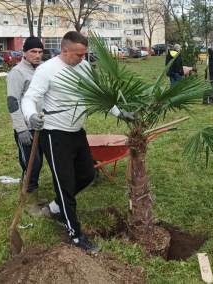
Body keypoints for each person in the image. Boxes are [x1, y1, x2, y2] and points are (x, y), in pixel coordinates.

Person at [21, 31, 132, 254]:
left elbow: (96, 92)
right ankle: (75, 235)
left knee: (87, 175)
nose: (82, 58)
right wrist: (31, 115)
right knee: (65, 186)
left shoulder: (82, 67)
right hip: (54, 134)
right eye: (78, 54)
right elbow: (29, 98)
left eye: (85, 54)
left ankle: (55, 207)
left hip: (77, 131)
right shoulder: (47, 70)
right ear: (65, 50)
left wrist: (119, 113)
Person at [6, 36, 45, 216]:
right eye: (33, 52)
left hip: (41, 126)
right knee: (31, 164)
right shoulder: (18, 73)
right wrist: (21, 128)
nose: (37, 55)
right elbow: (13, 102)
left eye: (40, 51)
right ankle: (30, 204)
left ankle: (29, 195)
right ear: (24, 53)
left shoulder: (42, 70)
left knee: (38, 162)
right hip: (26, 128)